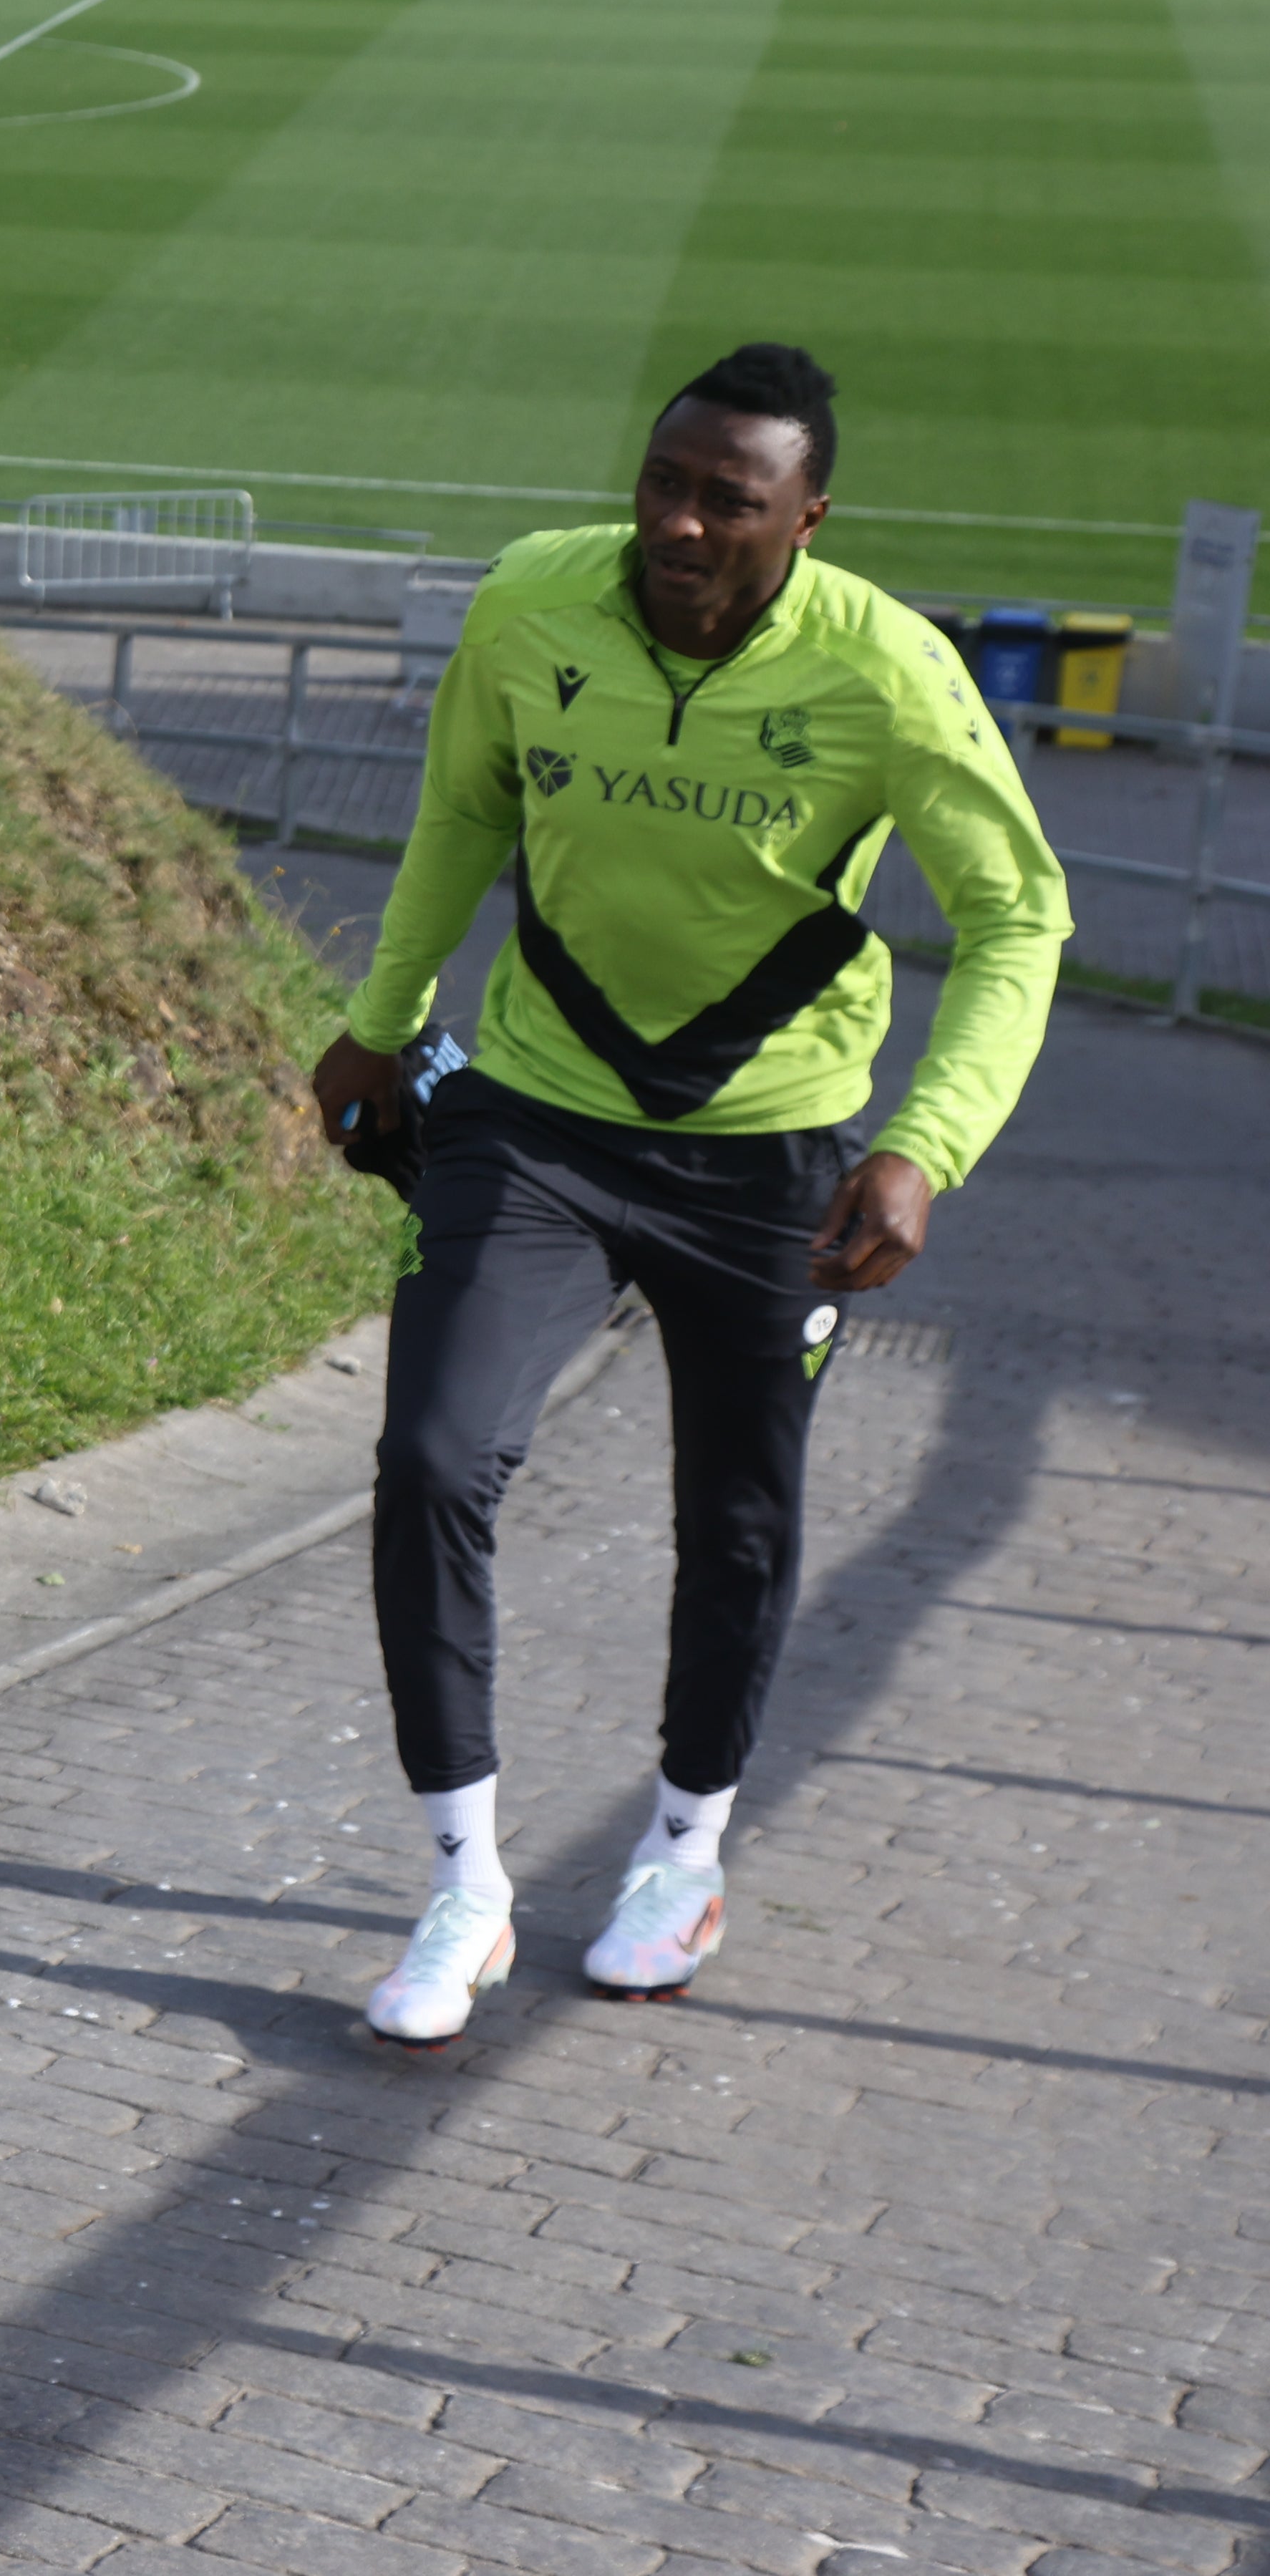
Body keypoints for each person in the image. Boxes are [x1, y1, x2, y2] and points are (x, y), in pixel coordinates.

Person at [314, 342, 1067, 2048]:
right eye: (663, 480)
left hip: (772, 1156)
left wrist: (922, 1146)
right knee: (433, 1455)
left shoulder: (891, 673)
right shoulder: (534, 602)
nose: (676, 520)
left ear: (806, 519)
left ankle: (683, 1849)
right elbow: (460, 808)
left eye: (727, 498)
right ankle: (465, 1886)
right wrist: (382, 1024)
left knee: (733, 1515)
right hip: (536, 1117)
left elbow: (1022, 920)